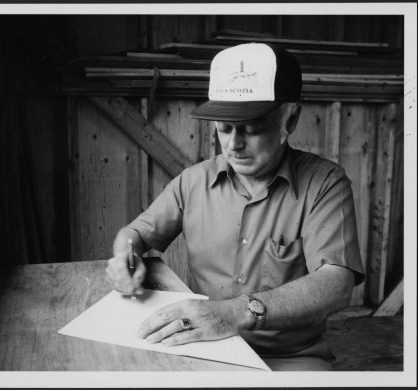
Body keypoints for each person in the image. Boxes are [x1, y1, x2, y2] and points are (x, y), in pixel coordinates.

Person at [105, 42, 365, 371]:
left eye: (252, 128)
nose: (234, 144)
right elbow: (135, 234)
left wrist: (235, 313)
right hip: (202, 346)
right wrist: (124, 257)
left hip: (290, 358)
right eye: (224, 129)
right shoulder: (192, 181)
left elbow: (337, 284)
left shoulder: (325, 183)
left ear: (291, 118)